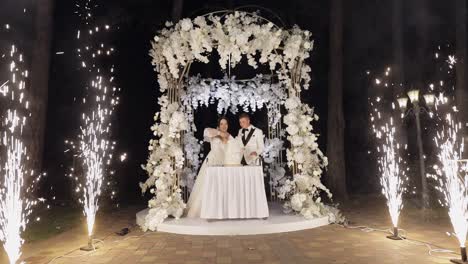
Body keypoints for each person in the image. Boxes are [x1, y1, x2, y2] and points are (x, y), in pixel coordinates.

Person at [186, 117, 234, 218]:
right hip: (212, 161)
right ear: (218, 125)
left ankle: (219, 211)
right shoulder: (213, 133)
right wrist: (221, 133)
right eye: (222, 124)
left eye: (226, 124)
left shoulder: (230, 137)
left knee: (221, 187)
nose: (224, 126)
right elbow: (206, 131)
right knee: (207, 186)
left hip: (224, 163)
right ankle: (203, 210)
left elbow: (234, 149)